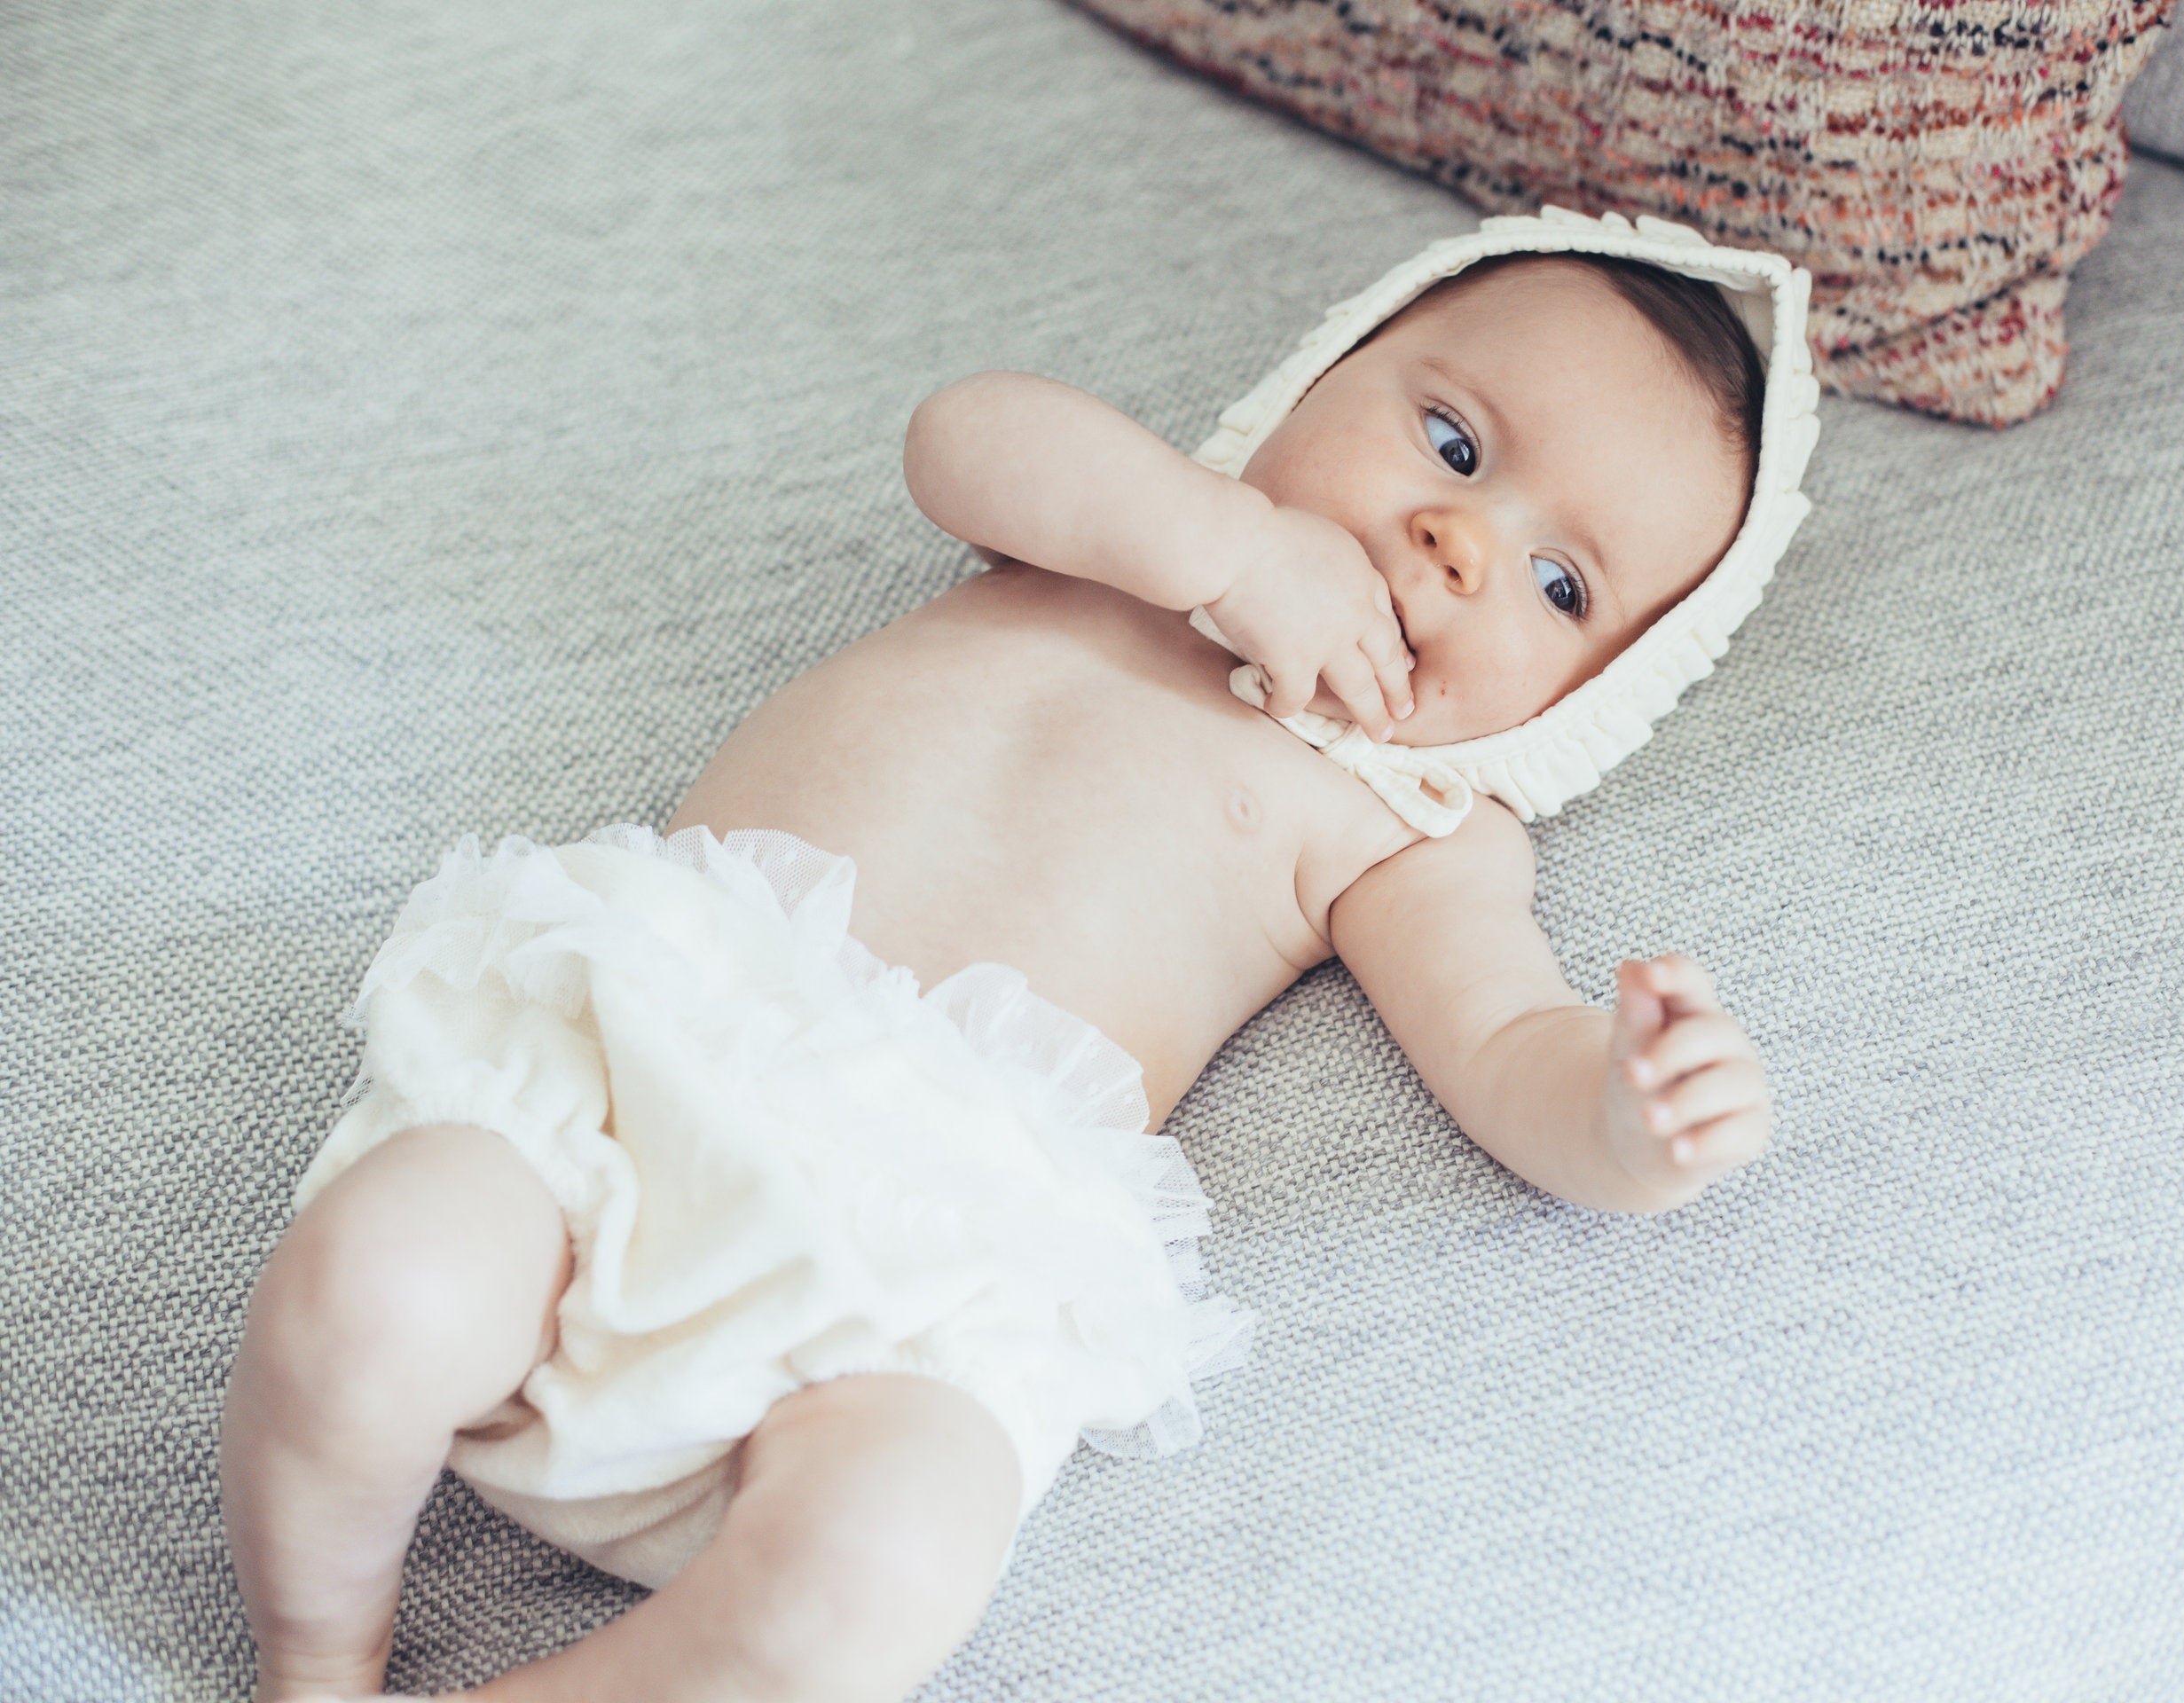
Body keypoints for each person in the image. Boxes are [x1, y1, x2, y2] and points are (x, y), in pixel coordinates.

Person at [217, 208, 1819, 1703]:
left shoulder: (1412, 822)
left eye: (1559, 585)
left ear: (1604, 696)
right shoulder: (1130, 532)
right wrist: (1220, 545)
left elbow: (1504, 1045)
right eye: (1453, 444)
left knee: (892, 1558)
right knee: (371, 1285)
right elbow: (958, 437)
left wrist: (1628, 1117)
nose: (1458, 542)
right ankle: (316, 1654)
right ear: (1323, 373)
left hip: (917, 1260)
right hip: (637, 1075)